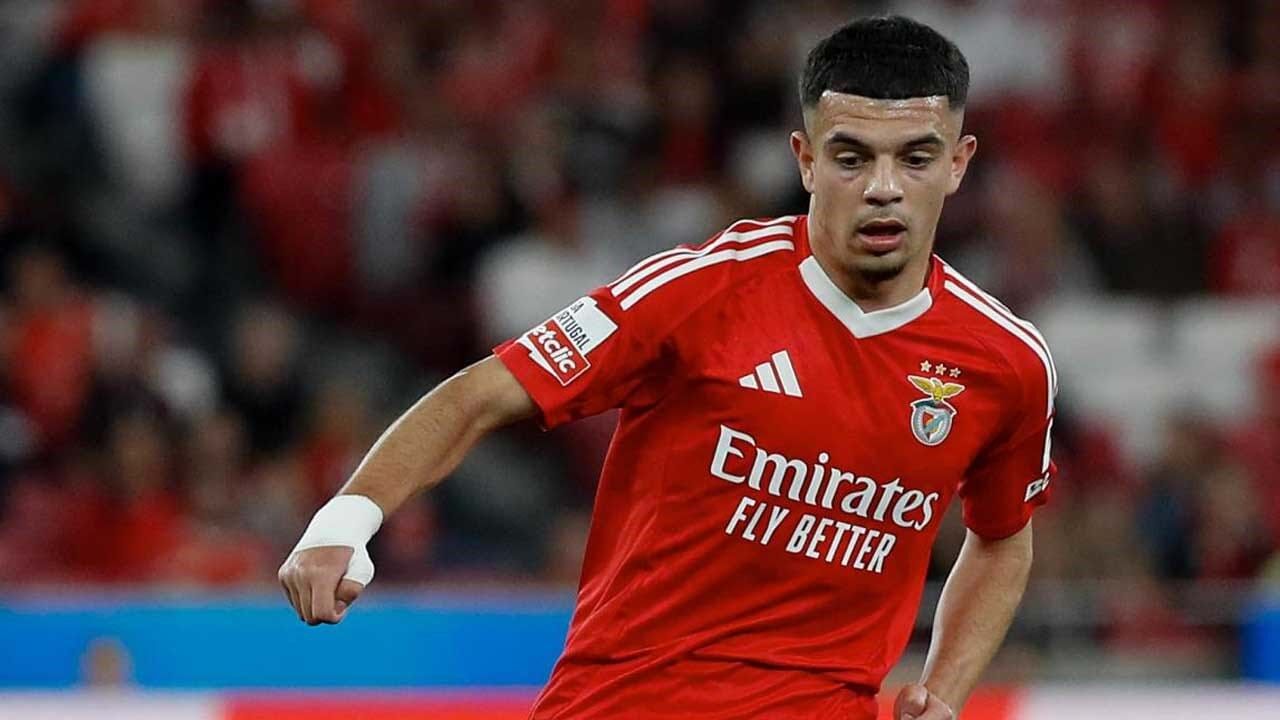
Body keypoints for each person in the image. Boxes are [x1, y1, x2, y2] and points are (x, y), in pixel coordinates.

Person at [278, 15, 1057, 720]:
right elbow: (482, 393)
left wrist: (945, 692)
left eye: (916, 158)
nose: (883, 189)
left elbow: (1002, 537)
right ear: (805, 159)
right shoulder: (702, 289)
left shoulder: (1006, 363)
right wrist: (345, 519)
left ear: (959, 163)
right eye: (852, 157)